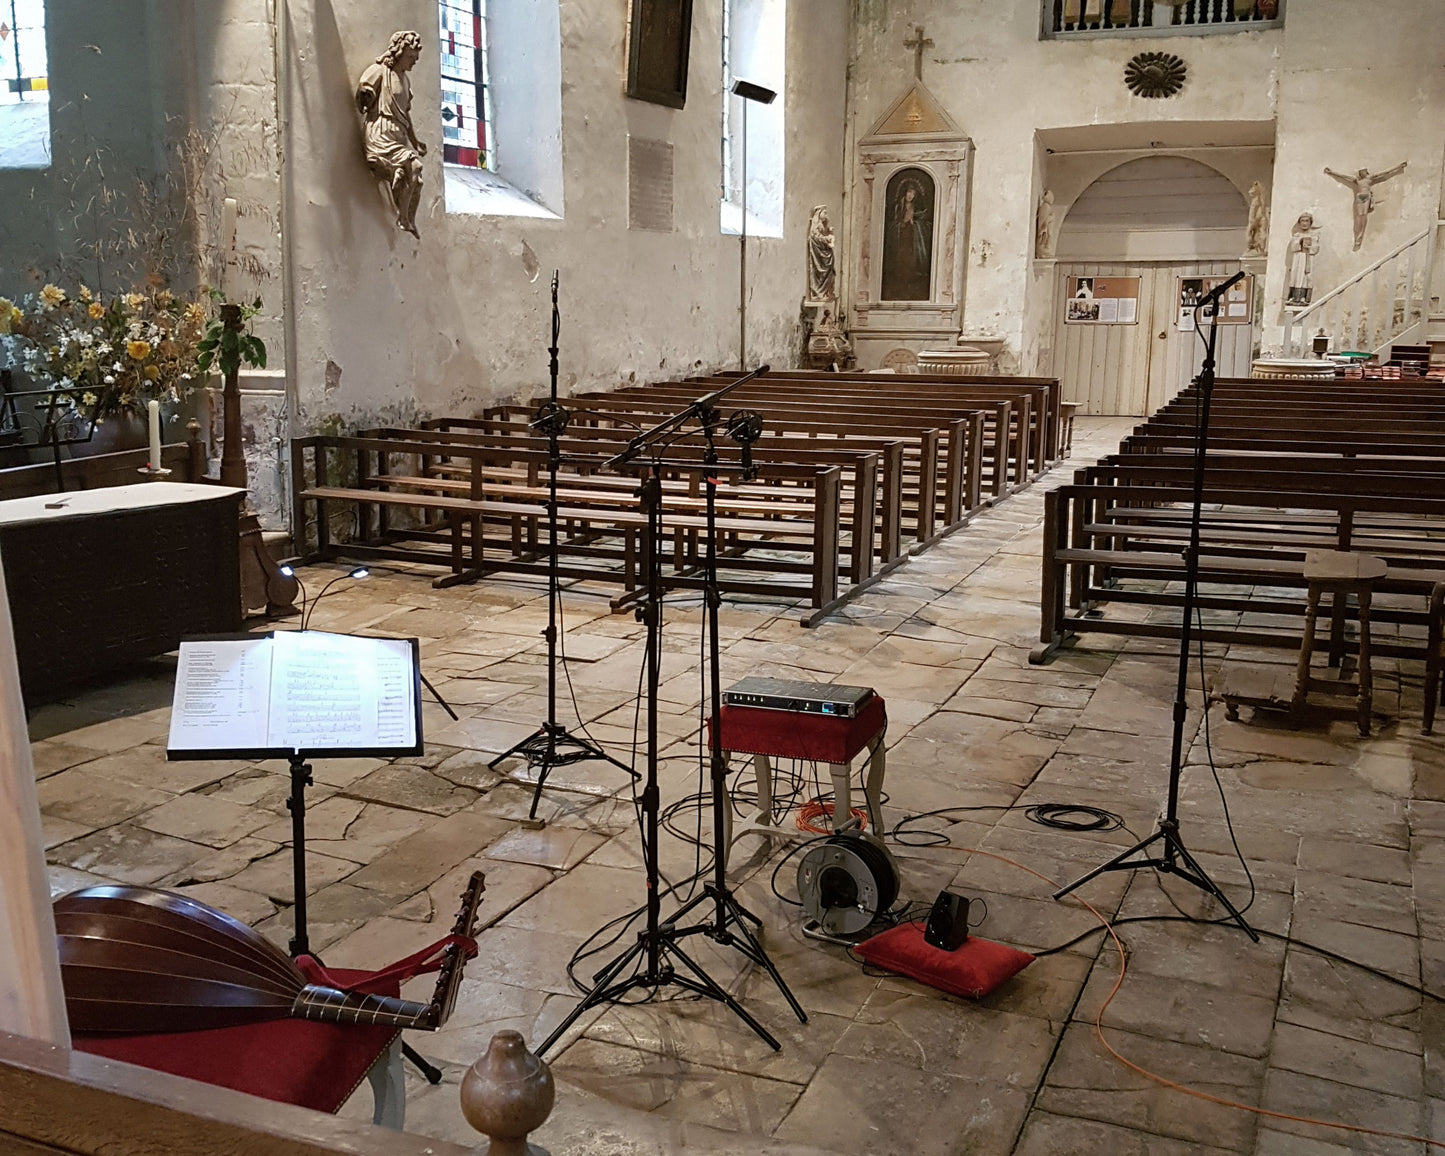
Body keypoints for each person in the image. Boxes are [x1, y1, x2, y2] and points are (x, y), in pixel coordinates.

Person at [356, 31, 428, 238]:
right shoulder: (380, 71)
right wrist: (366, 95)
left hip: (399, 135)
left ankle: (405, 217)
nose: (414, 61)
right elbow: (364, 93)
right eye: (411, 57)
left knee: (416, 178)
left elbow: (406, 115)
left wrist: (415, 141)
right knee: (415, 168)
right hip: (380, 130)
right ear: (399, 52)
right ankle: (401, 210)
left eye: (416, 58)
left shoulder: (405, 81)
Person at [1324, 162, 1407, 251]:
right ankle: (1357, 237)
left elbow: (1385, 172)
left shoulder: (1369, 178)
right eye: (1361, 171)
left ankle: (1360, 235)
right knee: (1359, 216)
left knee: (1364, 215)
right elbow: (1343, 176)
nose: (1362, 172)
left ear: (1366, 171)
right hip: (1360, 196)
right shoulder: (1357, 180)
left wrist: (1398, 167)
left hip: (1366, 195)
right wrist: (1331, 172)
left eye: (1363, 171)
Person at [881, 177, 932, 300]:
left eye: (913, 194)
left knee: (910, 258)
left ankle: (910, 280)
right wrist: (901, 224)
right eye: (909, 192)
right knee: (900, 258)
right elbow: (894, 220)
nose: (910, 196)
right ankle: (900, 279)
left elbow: (922, 218)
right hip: (901, 235)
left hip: (911, 236)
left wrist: (913, 222)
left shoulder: (916, 206)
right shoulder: (899, 205)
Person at [1286, 212, 1320, 305]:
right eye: (1302, 221)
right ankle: (1294, 297)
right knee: (1295, 277)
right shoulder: (1297, 235)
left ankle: (1304, 298)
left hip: (1308, 259)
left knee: (1307, 278)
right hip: (1298, 260)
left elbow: (1316, 249)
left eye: (1306, 221)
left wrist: (1309, 247)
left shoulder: (1314, 235)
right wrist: (1300, 242)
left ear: (1310, 223)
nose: (1304, 223)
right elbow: (1293, 247)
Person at [807, 206, 837, 302]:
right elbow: (815, 237)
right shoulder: (815, 226)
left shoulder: (823, 225)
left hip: (826, 253)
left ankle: (826, 292)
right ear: (819, 214)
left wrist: (829, 234)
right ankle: (819, 292)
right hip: (819, 255)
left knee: (830, 272)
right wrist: (826, 239)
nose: (826, 215)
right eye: (824, 213)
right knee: (821, 272)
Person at [1245, 180, 1269, 256]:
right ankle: (1256, 247)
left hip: (1257, 219)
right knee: (1256, 232)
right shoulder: (1258, 200)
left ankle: (1259, 247)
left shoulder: (1258, 200)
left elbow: (1258, 212)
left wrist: (1255, 220)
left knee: (1254, 231)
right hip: (1258, 218)